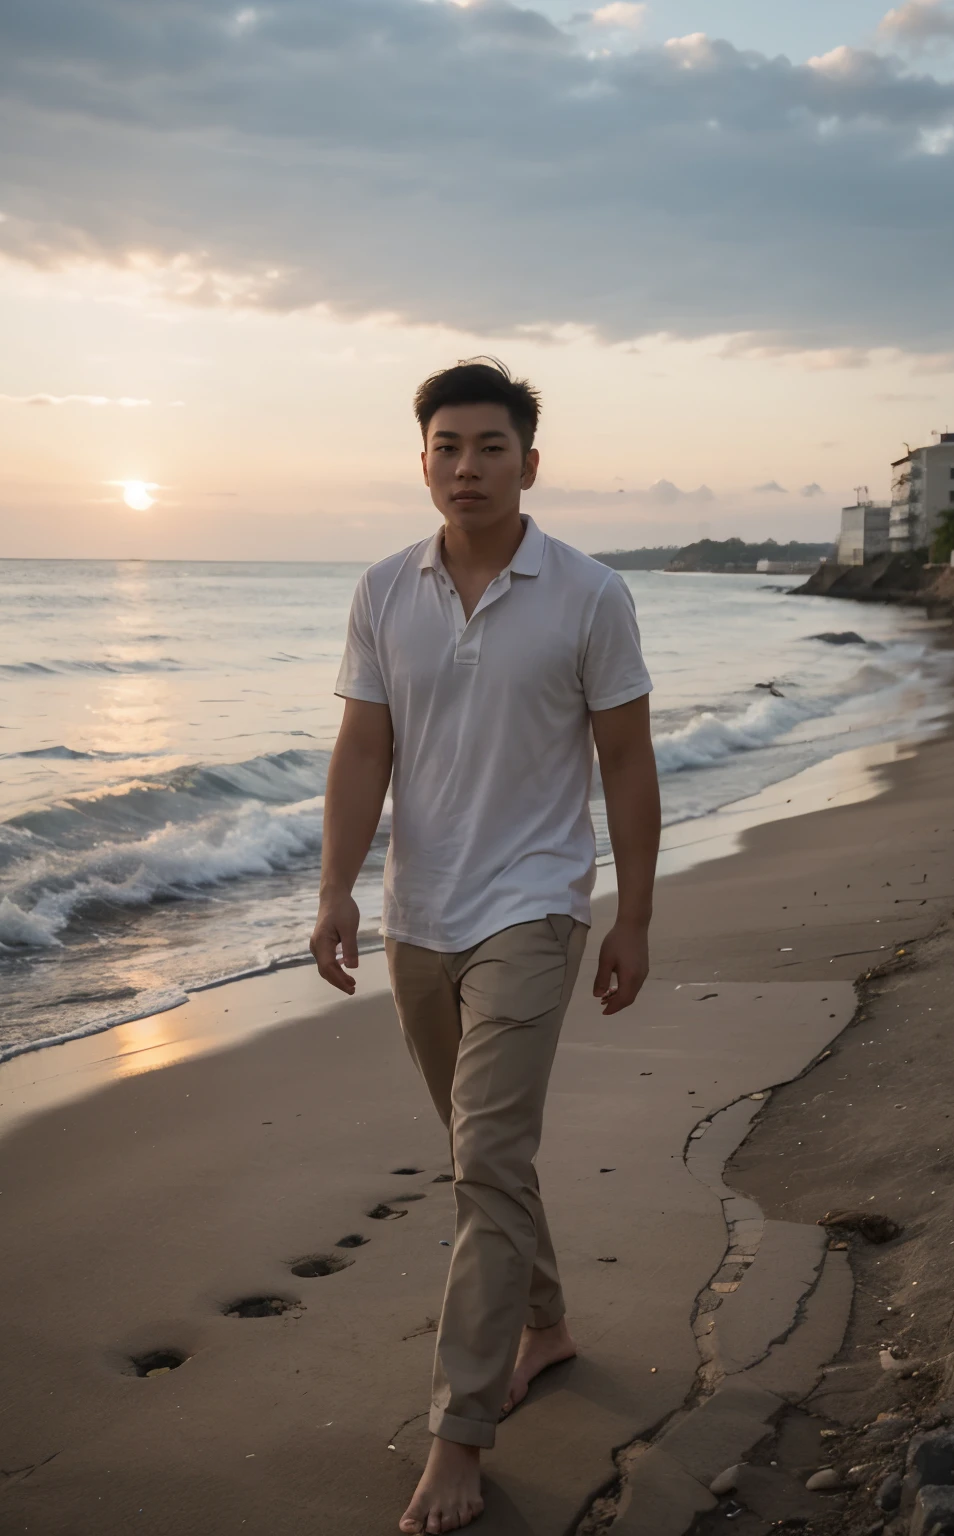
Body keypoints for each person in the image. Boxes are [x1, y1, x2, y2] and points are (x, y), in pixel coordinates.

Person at [311, 358, 660, 1535]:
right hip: (421, 913)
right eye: (446, 448)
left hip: (536, 903)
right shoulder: (382, 590)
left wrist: (636, 914)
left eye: (490, 448)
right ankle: (548, 1324)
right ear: (423, 461)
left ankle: (459, 1435)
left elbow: (624, 762)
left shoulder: (590, 594)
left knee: (487, 1153)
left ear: (529, 462)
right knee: (482, 1155)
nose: (466, 468)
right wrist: (336, 892)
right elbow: (364, 752)